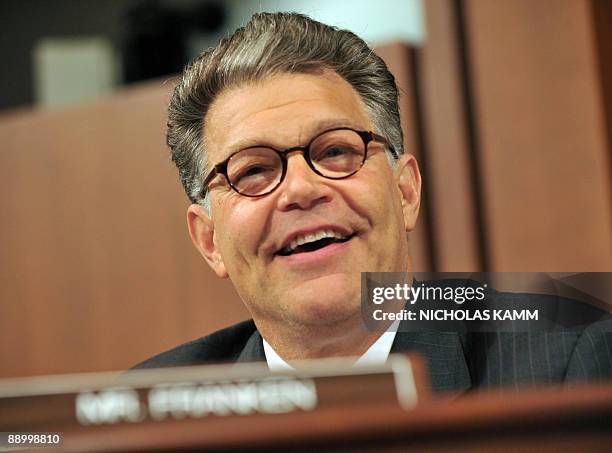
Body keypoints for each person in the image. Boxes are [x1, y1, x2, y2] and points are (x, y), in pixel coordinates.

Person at [135, 12, 611, 392]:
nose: (301, 190)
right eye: (254, 170)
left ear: (405, 191)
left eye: (336, 151)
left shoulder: (569, 360)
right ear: (210, 240)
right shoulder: (148, 408)